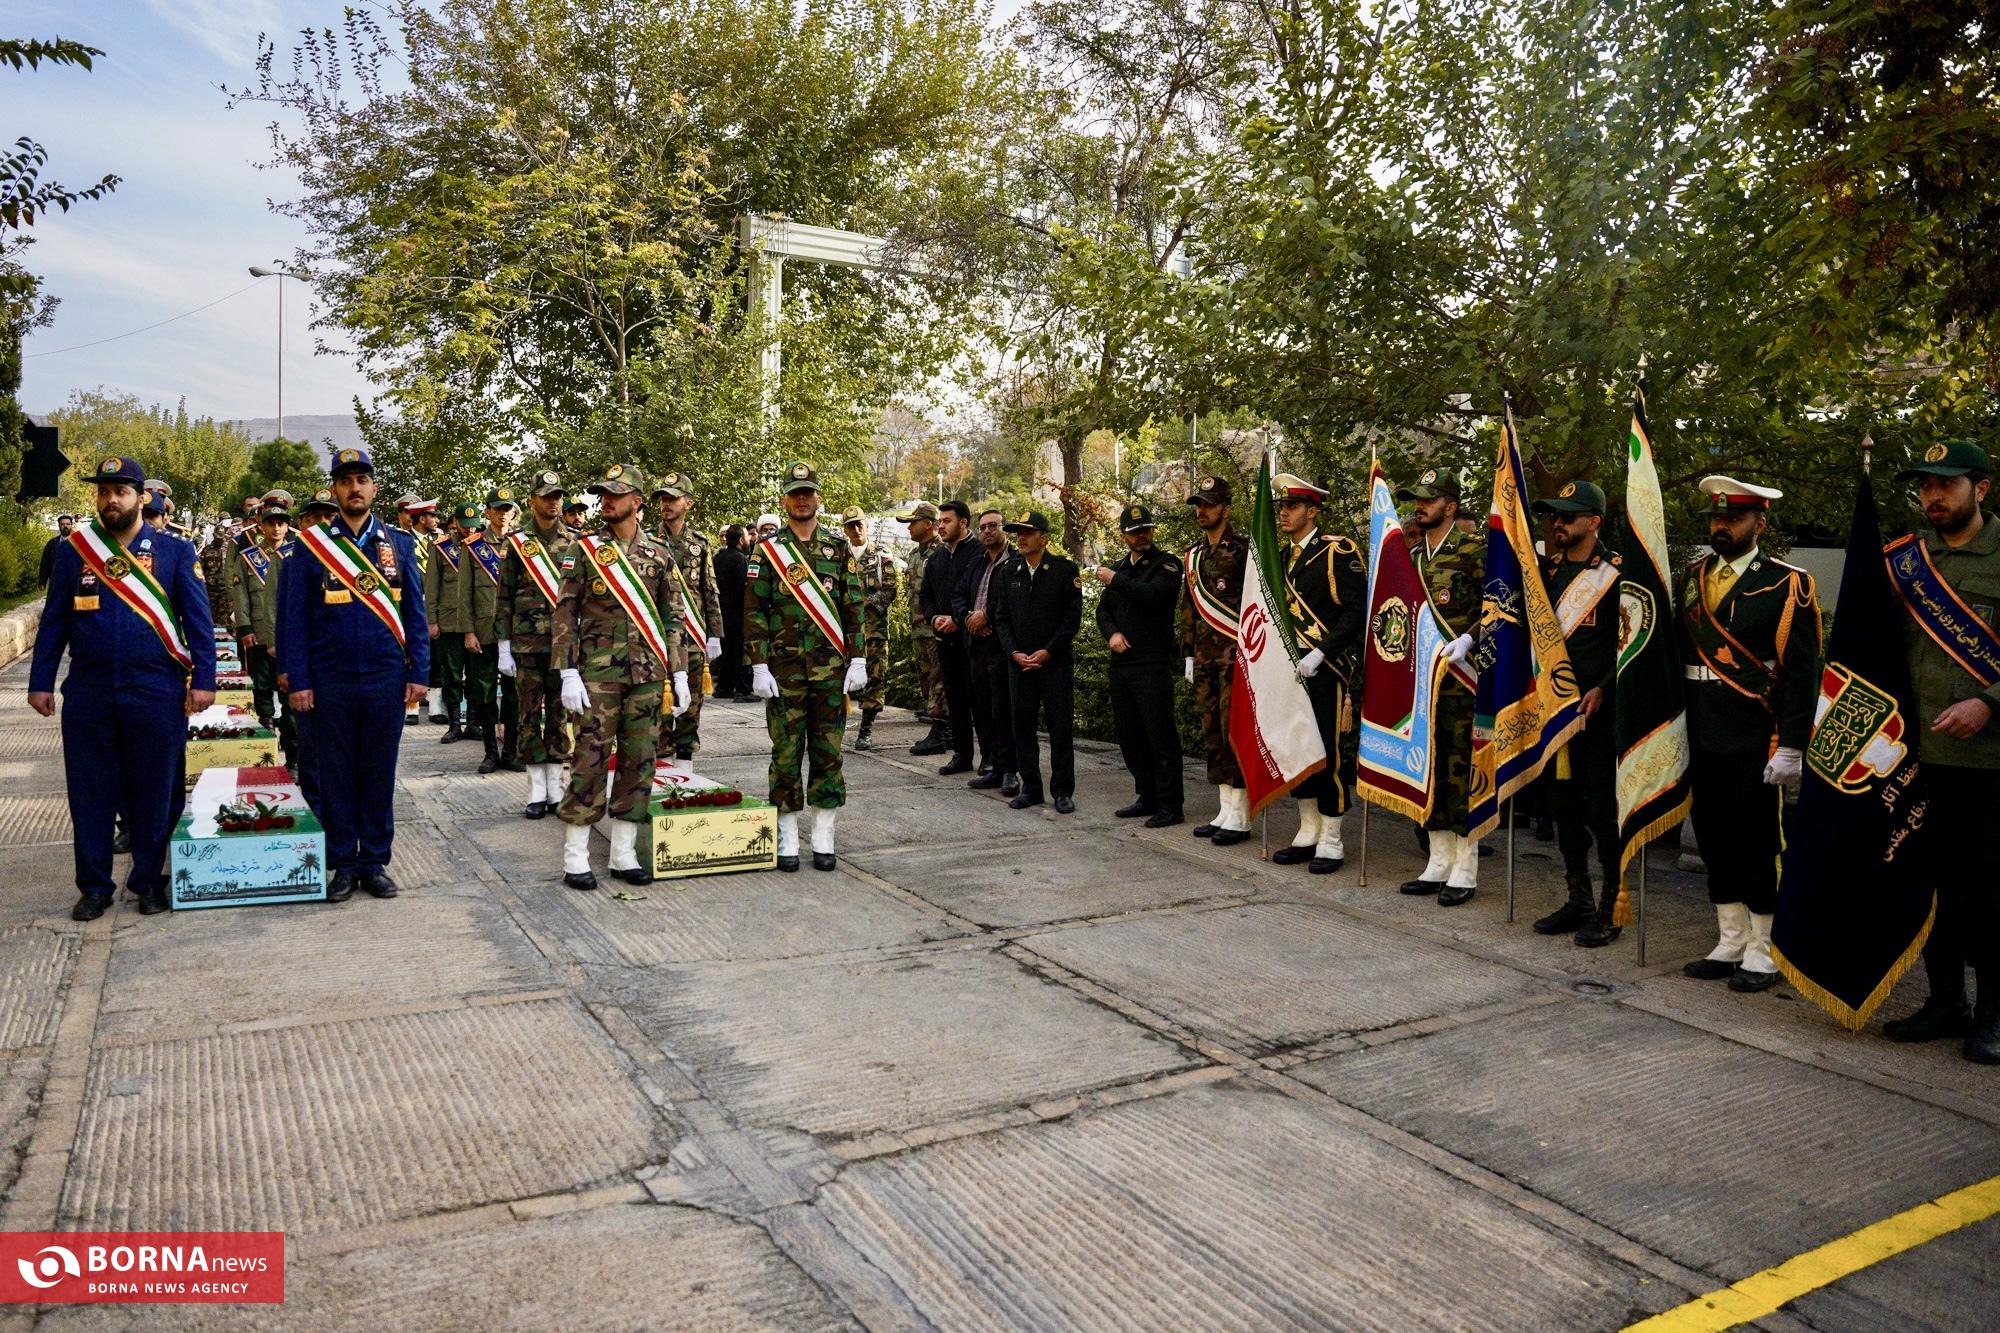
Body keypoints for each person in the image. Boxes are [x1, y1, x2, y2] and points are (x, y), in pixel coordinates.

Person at [29, 456, 217, 919]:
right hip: (90, 692)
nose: (111, 499)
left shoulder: (175, 551)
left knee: (156, 791)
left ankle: (148, 881)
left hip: (155, 690)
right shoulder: (75, 551)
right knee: (90, 792)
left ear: (140, 497)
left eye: (121, 491)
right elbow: (54, 622)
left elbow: (199, 621)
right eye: (103, 491)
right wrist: (40, 681)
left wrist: (205, 680)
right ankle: (94, 886)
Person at [1878, 441, 2000, 1062]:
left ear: (1980, 489)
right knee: (1933, 887)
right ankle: (1946, 1001)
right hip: (1914, 757)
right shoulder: (1907, 562)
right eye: (1926, 485)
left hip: (1987, 762)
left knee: (1988, 893)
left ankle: (1994, 1015)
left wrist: (1990, 701)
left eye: (1947, 484)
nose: (1934, 496)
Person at [1676, 475, 1822, 991]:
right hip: (1700, 729)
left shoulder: (1787, 583)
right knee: (1714, 837)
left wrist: (1793, 745)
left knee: (1757, 842)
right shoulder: (1692, 577)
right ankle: (1730, 937)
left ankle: (1766, 945)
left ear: (1759, 524)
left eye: (1732, 519)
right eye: (1716, 518)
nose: (1721, 526)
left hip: (1754, 734)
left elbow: (1802, 673)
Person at [276, 448, 429, 903]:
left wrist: (419, 671)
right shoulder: (310, 547)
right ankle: (343, 862)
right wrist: (298, 679)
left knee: (379, 771)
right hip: (330, 679)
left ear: (374, 488)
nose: (355, 488)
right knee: (335, 773)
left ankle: (374, 861)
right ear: (334, 490)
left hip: (385, 677)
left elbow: (415, 615)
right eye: (345, 481)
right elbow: (292, 621)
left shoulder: (399, 544)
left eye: (362, 480)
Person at [551, 464, 689, 889]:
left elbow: (673, 617)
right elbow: (565, 612)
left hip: (648, 675)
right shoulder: (586, 550)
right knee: (589, 759)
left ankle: (623, 853)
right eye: (603, 494)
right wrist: (567, 670)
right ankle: (575, 856)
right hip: (597, 674)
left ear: (637, 501)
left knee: (639, 760)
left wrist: (679, 672)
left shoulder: (660, 556)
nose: (606, 501)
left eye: (616, 494)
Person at [745, 464, 866, 869]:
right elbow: (754, 612)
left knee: (829, 753)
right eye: (795, 493)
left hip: (831, 671)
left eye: (808, 493)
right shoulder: (768, 551)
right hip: (784, 673)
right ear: (784, 499)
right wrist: (758, 665)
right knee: (785, 753)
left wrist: (860, 657)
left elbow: (853, 610)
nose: (802, 499)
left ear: (817, 499)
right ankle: (786, 836)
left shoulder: (837, 548)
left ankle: (824, 836)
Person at [1529, 481, 1625, 945]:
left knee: (1603, 812)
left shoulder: (1616, 574)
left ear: (1594, 522)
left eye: (1568, 515)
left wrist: (1604, 688)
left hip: (1597, 712)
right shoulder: (1546, 574)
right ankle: (1578, 900)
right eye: (1554, 516)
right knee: (1562, 808)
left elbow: (1632, 645)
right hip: (1554, 710)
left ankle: (1612, 906)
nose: (1558, 523)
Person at [1397, 467, 1487, 905]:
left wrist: (1469, 638)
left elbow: (1504, 608)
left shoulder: (1475, 551)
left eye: (1428, 500)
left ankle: (1465, 867)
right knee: (1428, 769)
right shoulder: (1412, 559)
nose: (1420, 506)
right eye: (1417, 499)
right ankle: (1437, 861)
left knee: (1461, 771)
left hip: (1463, 683)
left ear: (1450, 506)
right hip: (1422, 687)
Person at [1273, 474, 1368, 872]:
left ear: (1312, 512)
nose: (1283, 513)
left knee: (1326, 755)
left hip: (1325, 670)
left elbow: (1356, 610)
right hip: (1290, 672)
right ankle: (1308, 829)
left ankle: (1332, 838)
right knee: (1298, 752)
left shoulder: (1336, 551)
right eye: (1281, 507)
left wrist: (1321, 652)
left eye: (1292, 507)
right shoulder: (1279, 557)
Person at [1095, 503, 1183, 826]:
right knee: (1130, 735)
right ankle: (1147, 795)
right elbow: (1102, 611)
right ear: (1124, 537)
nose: (1141, 535)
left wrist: (1115, 579)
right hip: (1122, 665)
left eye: (1145, 529)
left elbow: (1151, 596)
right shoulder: (1121, 567)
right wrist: (1112, 634)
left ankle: (1171, 804)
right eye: (1134, 532)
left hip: (1151, 663)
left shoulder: (1166, 565)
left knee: (1160, 735)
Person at [497, 471, 578, 819]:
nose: (553, 502)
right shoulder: (517, 543)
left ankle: (556, 789)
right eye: (546, 496)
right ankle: (535, 791)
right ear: (532, 501)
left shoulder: (576, 541)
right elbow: (504, 596)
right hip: (527, 644)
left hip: (562, 645)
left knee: (560, 716)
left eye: (557, 495)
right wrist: (503, 644)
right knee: (528, 715)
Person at [1180, 475, 1253, 844]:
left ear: (1226, 507)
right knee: (1212, 733)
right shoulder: (1193, 555)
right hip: (1206, 659)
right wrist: (1188, 654)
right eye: (1197, 504)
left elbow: (1258, 607)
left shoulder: (1243, 550)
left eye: (1208, 504)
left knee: (1233, 730)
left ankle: (1241, 814)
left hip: (1236, 657)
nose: (1201, 510)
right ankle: (1225, 807)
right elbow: (1189, 609)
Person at [993, 510, 1082, 813]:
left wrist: (1048, 651)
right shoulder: (1008, 571)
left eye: (1028, 532)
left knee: (1059, 728)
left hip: (1053, 663)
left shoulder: (1064, 570)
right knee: (1023, 726)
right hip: (1019, 664)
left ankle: (1062, 791)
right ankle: (1030, 787)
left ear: (1043, 538)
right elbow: (1000, 618)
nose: (1021, 538)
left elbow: (1071, 621)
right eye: (1018, 532)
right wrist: (1013, 653)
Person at [653, 472, 724, 761]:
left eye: (673, 498)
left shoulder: (700, 544)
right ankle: (659, 777)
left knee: (690, 710)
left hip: (692, 638)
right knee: (658, 710)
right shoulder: (648, 541)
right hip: (658, 636)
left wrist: (715, 633)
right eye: (663, 499)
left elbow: (710, 589)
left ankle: (685, 774)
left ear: (689, 503)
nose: (666, 504)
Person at [226, 496, 300, 769]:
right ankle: (265, 746)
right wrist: (244, 627)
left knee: (290, 694)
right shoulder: (248, 558)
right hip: (257, 632)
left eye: (281, 523)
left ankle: (293, 756)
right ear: (262, 526)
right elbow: (240, 594)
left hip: (289, 634)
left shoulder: (296, 554)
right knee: (261, 690)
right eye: (271, 524)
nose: (276, 529)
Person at [920, 500, 983, 774]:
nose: (940, 526)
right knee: (955, 701)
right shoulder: (936, 558)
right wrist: (934, 618)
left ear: (964, 523)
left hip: (974, 641)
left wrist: (959, 620)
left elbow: (983, 594)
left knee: (980, 703)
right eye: (940, 521)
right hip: (944, 640)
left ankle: (990, 759)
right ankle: (962, 755)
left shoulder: (980, 554)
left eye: (946, 521)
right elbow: (926, 595)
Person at [957, 509, 1017, 792]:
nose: (987, 531)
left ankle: (1009, 771)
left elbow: (1011, 600)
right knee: (981, 708)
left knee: (1002, 709)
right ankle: (991, 764)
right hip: (976, 644)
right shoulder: (976, 562)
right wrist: (968, 618)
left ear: (1004, 529)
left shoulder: (1015, 562)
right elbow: (958, 594)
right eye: (983, 527)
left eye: (993, 525)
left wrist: (987, 617)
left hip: (1001, 646)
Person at [461, 490, 519, 775]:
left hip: (514, 632)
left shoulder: (521, 543)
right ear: (487, 512)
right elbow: (464, 594)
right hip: (483, 632)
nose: (502, 513)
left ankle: (510, 752)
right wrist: (468, 631)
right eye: (497, 509)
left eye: (506, 509)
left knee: (514, 695)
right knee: (484, 694)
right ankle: (489, 753)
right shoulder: (473, 546)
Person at [843, 507, 898, 751]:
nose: (856, 530)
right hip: (844, 632)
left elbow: (890, 589)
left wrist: (866, 604)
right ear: (845, 529)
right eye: (850, 526)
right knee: (837, 679)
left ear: (867, 525)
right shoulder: (838, 556)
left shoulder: (881, 556)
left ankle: (865, 730)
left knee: (875, 678)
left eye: (859, 525)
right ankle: (834, 727)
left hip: (873, 630)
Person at [426, 503, 477, 741]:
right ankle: (455, 724)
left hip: (477, 624)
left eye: (472, 525)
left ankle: (474, 723)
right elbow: (432, 586)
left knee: (476, 676)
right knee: (452, 676)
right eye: (464, 525)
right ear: (455, 522)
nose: (469, 530)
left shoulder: (483, 547)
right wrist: (432, 620)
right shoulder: (441, 547)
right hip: (448, 622)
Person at [898, 502, 949, 737]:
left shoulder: (943, 552)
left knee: (941, 679)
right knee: (926, 678)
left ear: (928, 524)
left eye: (913, 523)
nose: (909, 528)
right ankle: (935, 718)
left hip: (935, 628)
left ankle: (941, 731)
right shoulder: (914, 554)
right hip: (918, 628)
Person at [397, 498, 443, 723]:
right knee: (411, 653)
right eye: (433, 516)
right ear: (421, 519)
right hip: (412, 603)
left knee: (436, 656)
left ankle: (435, 709)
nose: (437, 520)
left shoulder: (440, 540)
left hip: (435, 604)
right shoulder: (403, 541)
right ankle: (412, 709)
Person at [714, 524, 750, 701]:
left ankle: (724, 687)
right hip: (737, 612)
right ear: (741, 540)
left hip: (722, 612)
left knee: (727, 651)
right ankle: (742, 689)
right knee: (738, 651)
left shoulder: (719, 557)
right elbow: (744, 587)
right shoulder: (740, 559)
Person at [37, 514, 75, 589]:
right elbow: (45, 563)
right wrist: (42, 581)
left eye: (68, 524)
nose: (65, 526)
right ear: (59, 526)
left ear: (71, 525)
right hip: (56, 582)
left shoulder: (79, 542)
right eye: (62, 524)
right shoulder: (51, 544)